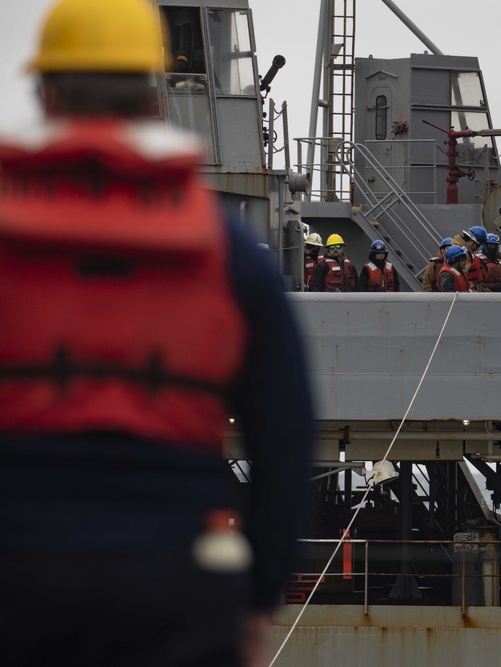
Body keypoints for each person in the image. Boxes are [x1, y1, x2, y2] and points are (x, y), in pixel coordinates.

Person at [0, 2, 314, 666]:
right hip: (177, 579)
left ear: (47, 93)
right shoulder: (229, 250)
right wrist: (259, 596)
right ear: (152, 96)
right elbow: (286, 435)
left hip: (20, 569)